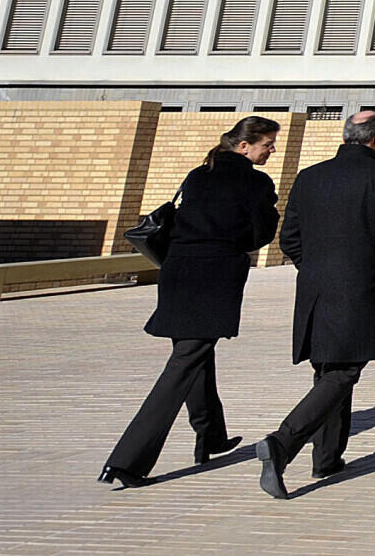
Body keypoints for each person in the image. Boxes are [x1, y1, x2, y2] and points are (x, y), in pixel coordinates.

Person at [99, 115, 282, 489]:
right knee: (184, 363)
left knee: (194, 351)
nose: (271, 150)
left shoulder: (199, 175)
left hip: (177, 273)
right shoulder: (255, 181)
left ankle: (210, 435)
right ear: (244, 146)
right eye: (267, 144)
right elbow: (260, 234)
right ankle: (126, 461)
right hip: (213, 278)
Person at [255, 108, 375, 500]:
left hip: (315, 288)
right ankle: (282, 444)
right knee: (344, 370)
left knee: (328, 368)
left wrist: (314, 268)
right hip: (357, 288)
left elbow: (289, 237)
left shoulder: (310, 176)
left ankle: (326, 457)